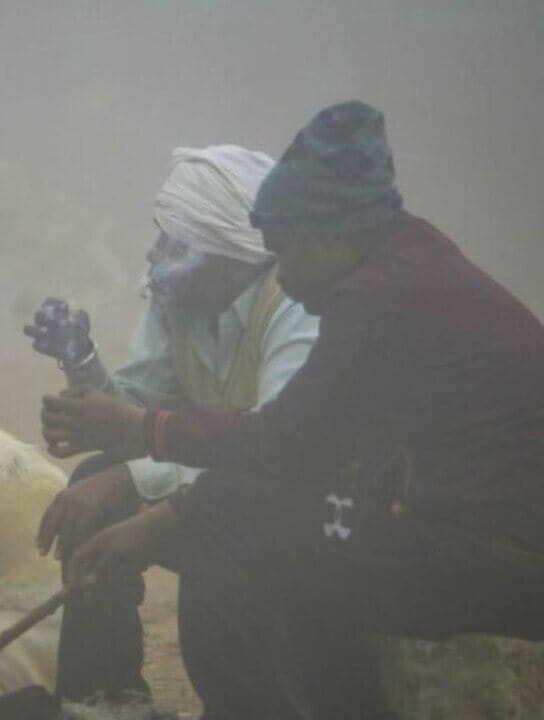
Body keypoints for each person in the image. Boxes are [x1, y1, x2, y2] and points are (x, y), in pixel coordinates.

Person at [39, 101, 544, 719]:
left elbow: (289, 446)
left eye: (284, 253)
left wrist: (155, 460)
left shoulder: (380, 296)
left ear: (330, 238)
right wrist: (137, 440)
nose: (281, 272)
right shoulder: (403, 262)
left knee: (226, 516)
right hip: (445, 525)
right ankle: (109, 700)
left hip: (500, 557)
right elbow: (314, 449)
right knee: (254, 518)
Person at [24, 145, 319, 704]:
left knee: (206, 524)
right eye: (161, 237)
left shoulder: (294, 307)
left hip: (297, 505)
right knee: (94, 480)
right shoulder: (183, 301)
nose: (155, 255)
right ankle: (104, 700)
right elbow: (136, 418)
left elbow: (278, 452)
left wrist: (131, 480)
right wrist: (81, 360)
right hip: (227, 482)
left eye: (175, 244)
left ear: (229, 255)